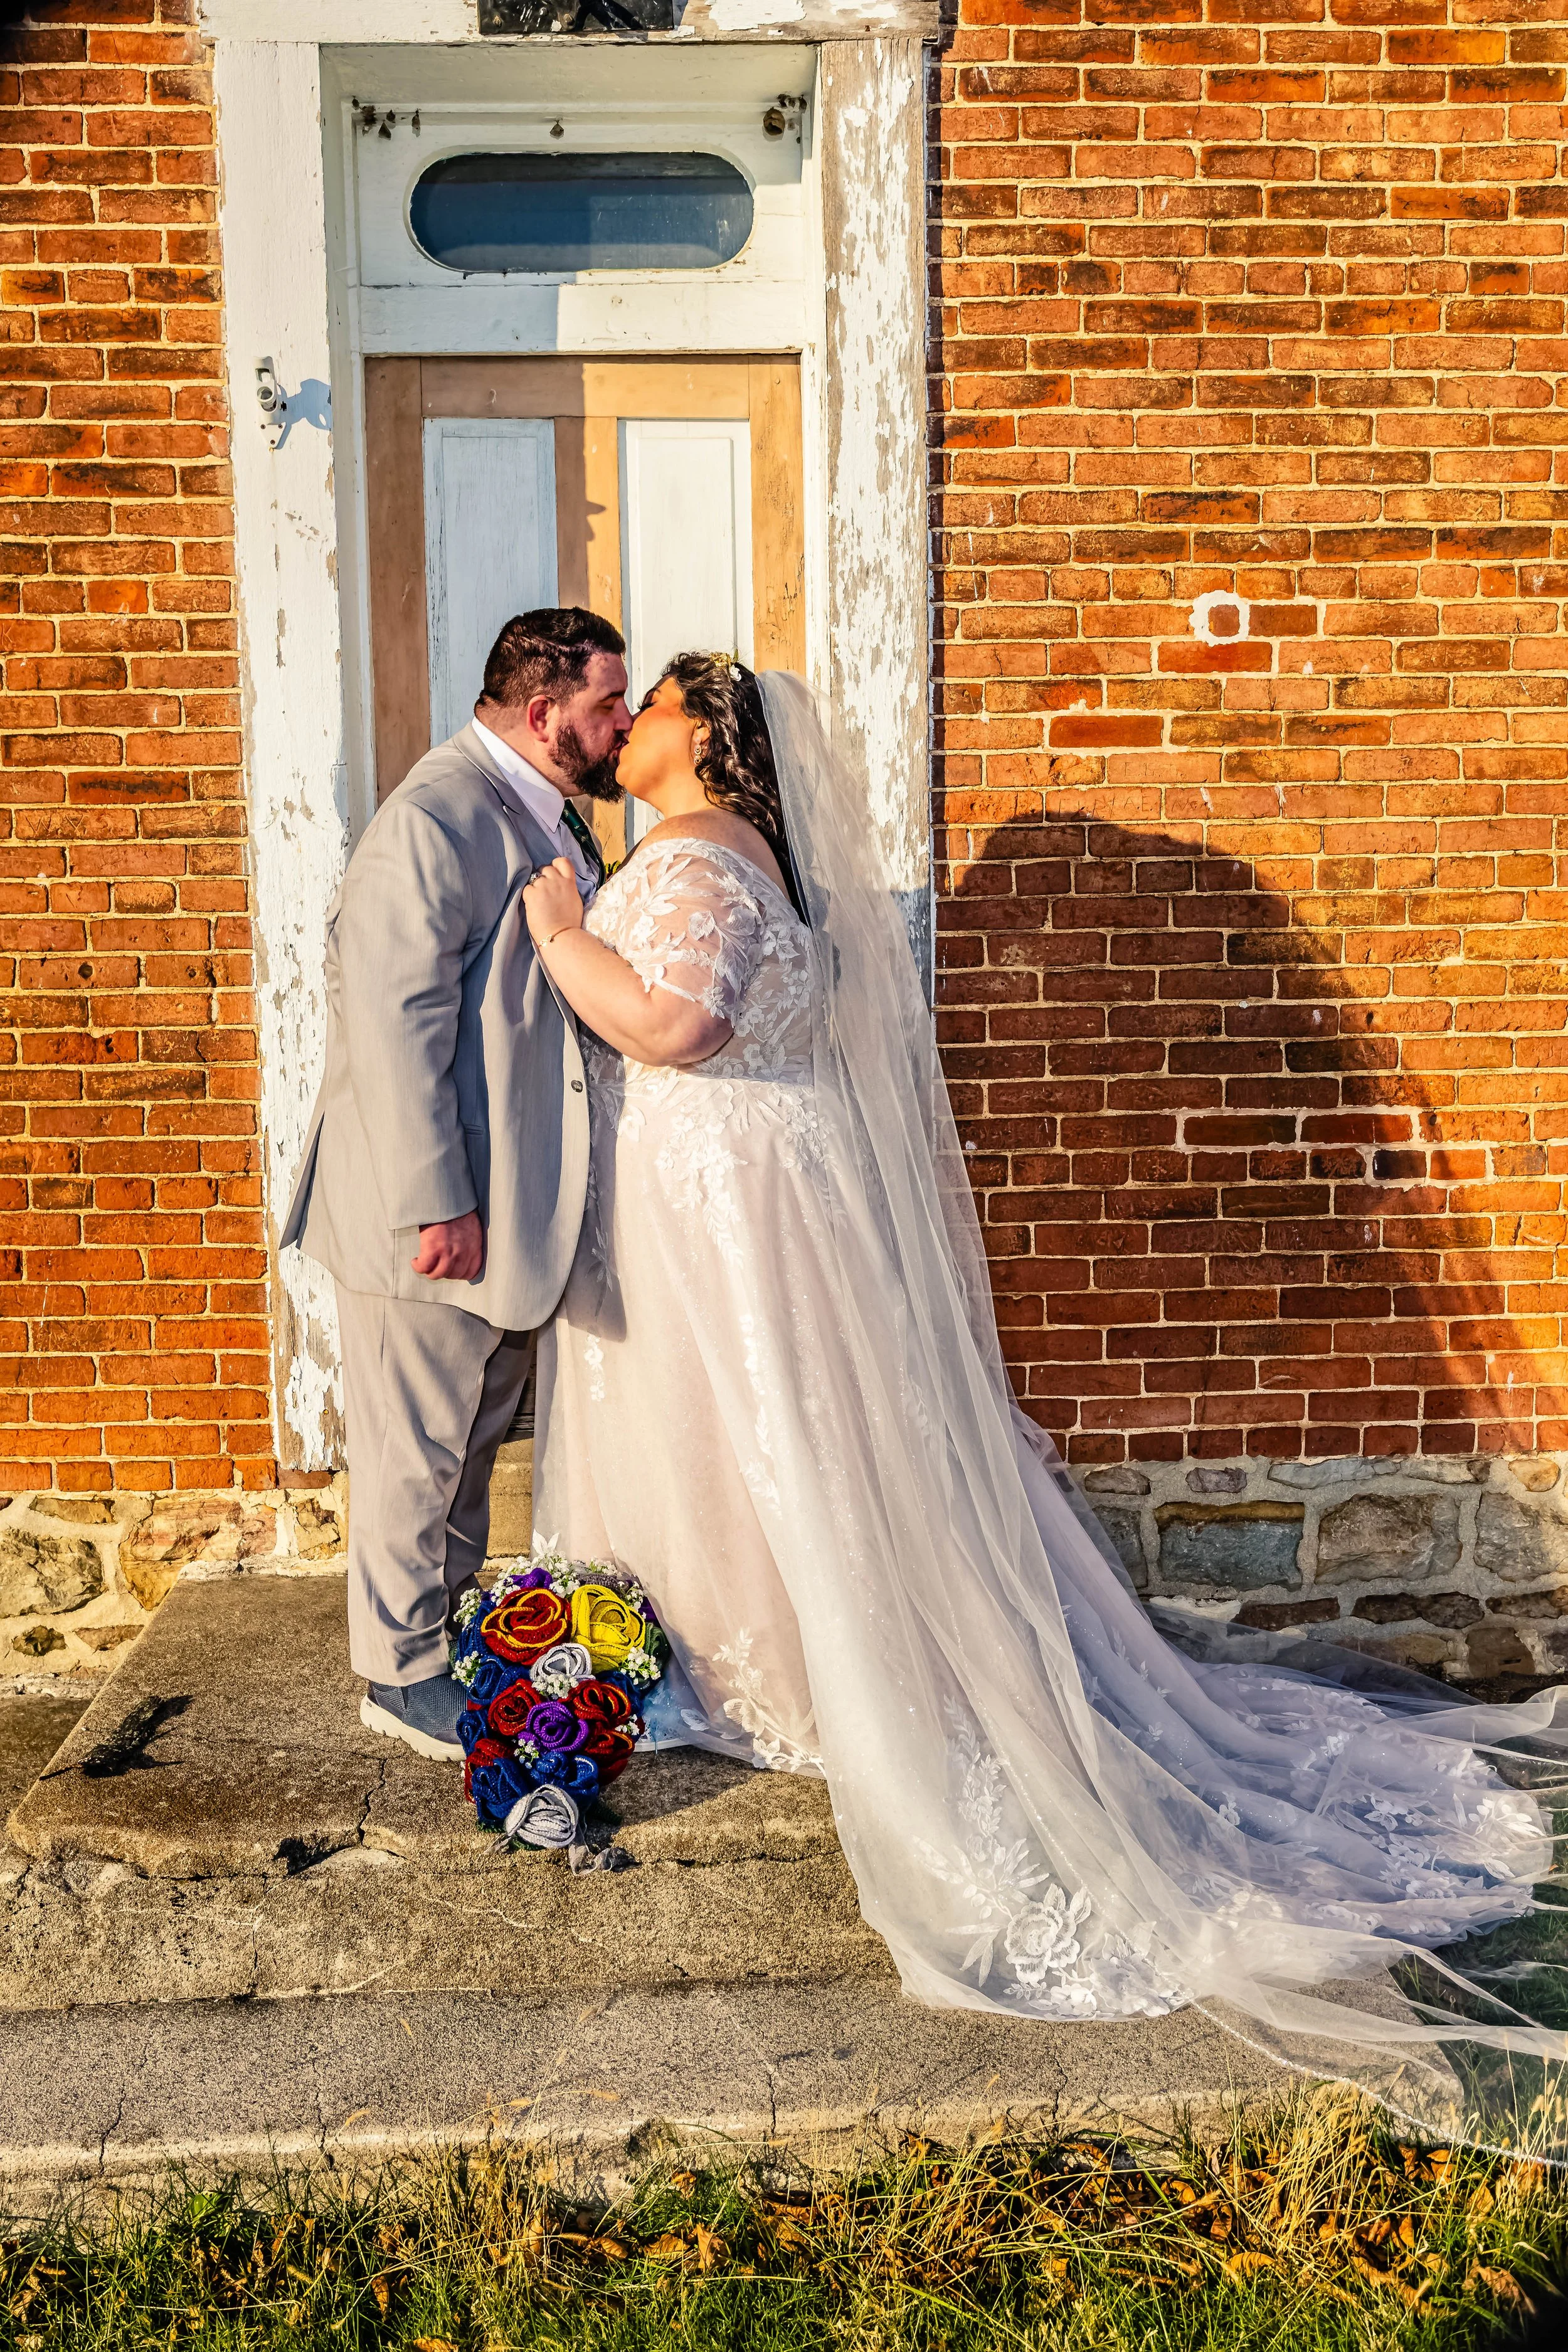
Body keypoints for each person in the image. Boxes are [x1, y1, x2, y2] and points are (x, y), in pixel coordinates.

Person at [524, 654, 1568, 2154]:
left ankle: (781, 1668)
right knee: (781, 1446)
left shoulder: (689, 855)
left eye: (660, 705)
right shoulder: (745, 855)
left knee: (758, 1441)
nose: (632, 726)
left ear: (705, 740)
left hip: (726, 1201)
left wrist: (562, 936)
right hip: (755, 1191)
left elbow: (674, 1026)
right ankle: (749, 1651)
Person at [281, 607, 630, 1760]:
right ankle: (395, 1671)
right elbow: (395, 1022)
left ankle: (439, 1628)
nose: (620, 727)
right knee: (413, 1449)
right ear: (544, 716)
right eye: (604, 707)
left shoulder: (538, 813)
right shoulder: (435, 819)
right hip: (428, 1214)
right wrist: (438, 1202)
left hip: (498, 1209)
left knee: (470, 1440)